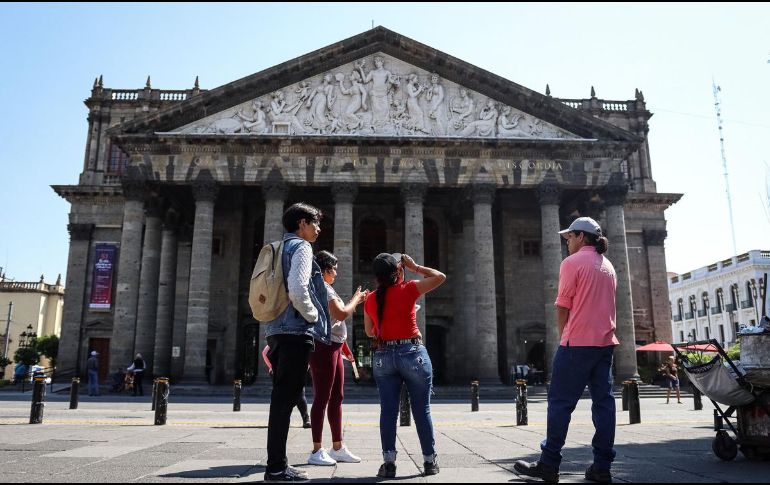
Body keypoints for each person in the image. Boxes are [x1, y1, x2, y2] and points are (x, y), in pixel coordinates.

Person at [514, 217, 618, 484]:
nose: (567, 242)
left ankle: (549, 464)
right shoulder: (608, 266)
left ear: (581, 237)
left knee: (560, 404)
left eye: (569, 237)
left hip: (577, 343)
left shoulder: (571, 263)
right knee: (604, 405)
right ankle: (602, 467)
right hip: (605, 344)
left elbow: (562, 306)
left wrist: (565, 337)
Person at [263, 202, 331, 482]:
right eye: (315, 223)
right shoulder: (301, 247)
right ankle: (277, 467)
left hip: (275, 329)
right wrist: (313, 315)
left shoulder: (278, 247)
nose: (318, 229)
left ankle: (276, 464)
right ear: (302, 223)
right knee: (286, 400)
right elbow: (298, 287)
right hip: (294, 331)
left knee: (281, 399)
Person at [364, 253, 446, 479]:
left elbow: (370, 332)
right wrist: (416, 266)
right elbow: (440, 277)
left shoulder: (370, 299)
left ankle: (389, 463)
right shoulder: (408, 289)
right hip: (412, 353)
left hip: (384, 357)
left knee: (388, 412)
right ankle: (429, 461)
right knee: (422, 410)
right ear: (398, 271)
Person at [307, 250, 366, 466]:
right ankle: (316, 450)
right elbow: (341, 314)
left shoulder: (327, 287)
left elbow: (335, 323)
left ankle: (337, 447)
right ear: (325, 270)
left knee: (337, 397)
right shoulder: (322, 287)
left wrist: (345, 347)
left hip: (334, 346)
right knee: (322, 397)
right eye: (334, 270)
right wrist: (356, 300)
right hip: (324, 347)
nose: (336, 274)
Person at [262, 345, 311, 429]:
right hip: (286, 370)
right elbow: (265, 352)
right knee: (297, 394)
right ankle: (305, 419)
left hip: (290, 370)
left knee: (296, 395)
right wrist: (272, 367)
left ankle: (303, 419)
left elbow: (265, 352)